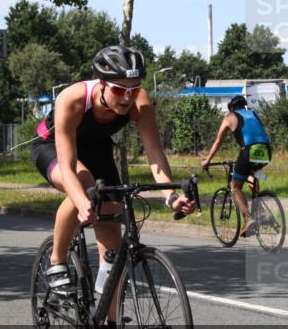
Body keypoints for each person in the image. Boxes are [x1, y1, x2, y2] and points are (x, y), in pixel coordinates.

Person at [31, 45, 195, 305]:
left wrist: (171, 195)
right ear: (102, 84)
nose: (127, 98)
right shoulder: (72, 99)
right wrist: (83, 202)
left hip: (97, 147)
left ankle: (109, 328)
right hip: (52, 147)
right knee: (86, 186)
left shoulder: (139, 103)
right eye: (119, 89)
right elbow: (68, 162)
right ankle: (57, 261)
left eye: (134, 89)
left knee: (113, 236)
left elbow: (154, 153)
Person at [201, 95, 272, 237]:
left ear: (232, 108)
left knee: (235, 186)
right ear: (244, 106)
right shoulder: (253, 114)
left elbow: (218, 141)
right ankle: (260, 211)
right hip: (266, 150)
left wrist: (207, 160)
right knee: (252, 174)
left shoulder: (229, 117)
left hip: (248, 151)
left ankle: (248, 218)